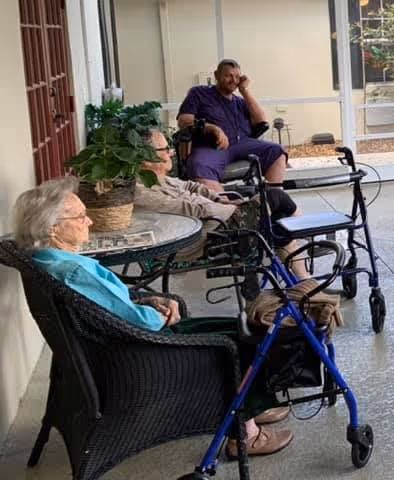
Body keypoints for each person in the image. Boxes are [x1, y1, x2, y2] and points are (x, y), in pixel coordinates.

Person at [11, 177, 293, 458]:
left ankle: (252, 407)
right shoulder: (73, 272)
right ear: (53, 229)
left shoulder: (49, 261)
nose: (90, 222)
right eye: (81, 216)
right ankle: (246, 434)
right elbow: (138, 322)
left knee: (233, 326)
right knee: (238, 341)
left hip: (112, 345)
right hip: (138, 354)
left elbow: (109, 304)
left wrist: (148, 300)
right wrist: (158, 315)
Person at [135, 128, 311, 279]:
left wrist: (220, 198)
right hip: (210, 235)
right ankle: (307, 234)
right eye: (165, 149)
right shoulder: (139, 191)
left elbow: (192, 186)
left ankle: (304, 282)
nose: (171, 153)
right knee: (274, 196)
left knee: (278, 222)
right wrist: (232, 207)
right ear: (146, 158)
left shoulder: (161, 179)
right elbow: (189, 209)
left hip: (220, 222)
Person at [178, 59, 287, 192]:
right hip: (212, 147)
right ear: (217, 75)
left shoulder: (240, 102)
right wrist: (212, 128)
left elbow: (261, 121)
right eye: (228, 75)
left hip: (243, 143)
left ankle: (273, 200)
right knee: (198, 165)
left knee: (277, 151)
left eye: (237, 77)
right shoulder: (199, 93)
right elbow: (184, 120)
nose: (233, 80)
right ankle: (229, 208)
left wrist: (244, 90)